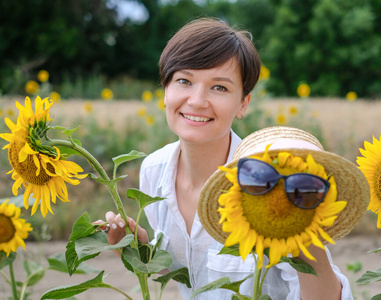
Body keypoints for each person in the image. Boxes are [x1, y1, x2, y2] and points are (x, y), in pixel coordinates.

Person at [97, 17, 366, 300]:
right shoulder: (154, 171)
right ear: (165, 89)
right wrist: (142, 252)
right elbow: (192, 272)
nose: (197, 101)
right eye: (184, 81)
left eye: (219, 87)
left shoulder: (269, 183)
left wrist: (299, 227)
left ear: (243, 103)